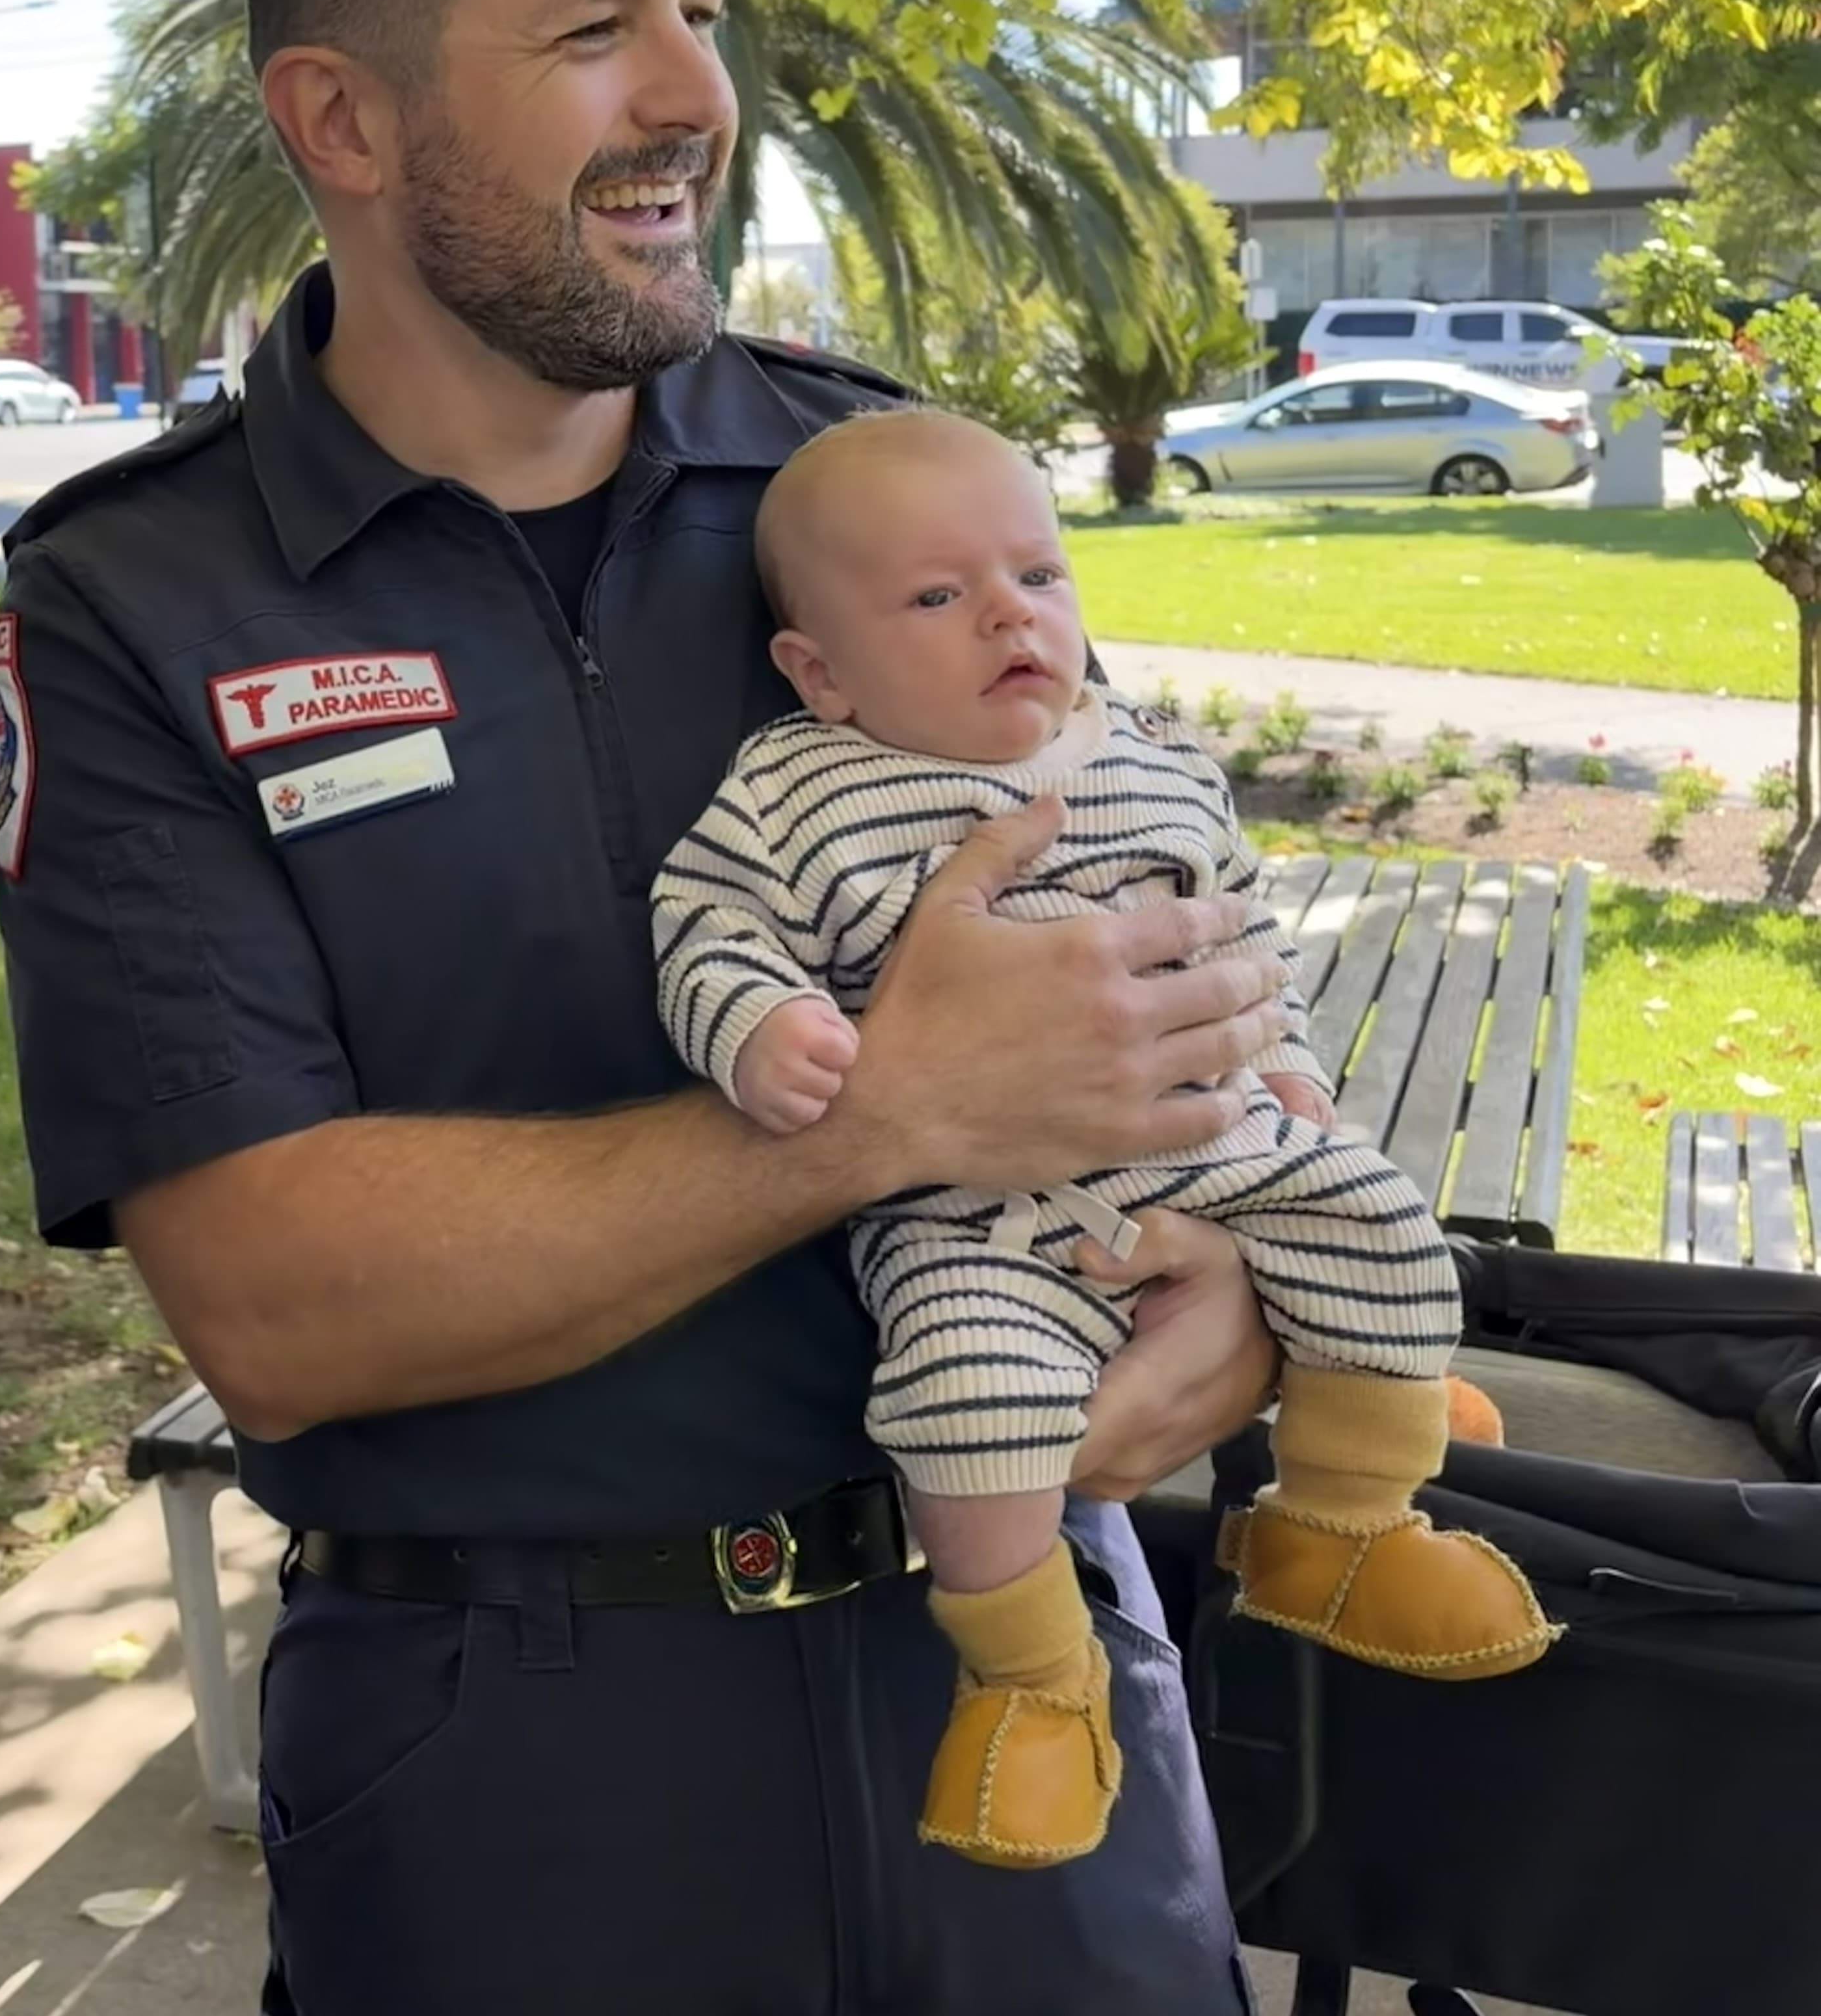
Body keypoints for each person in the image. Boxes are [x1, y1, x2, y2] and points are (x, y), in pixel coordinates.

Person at [0, 0, 1298, 2015]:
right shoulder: (144, 600)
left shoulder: (872, 484)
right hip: (515, 1763)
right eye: (595, 32)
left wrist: (1247, 1287)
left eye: (696, 10)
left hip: (1016, 1689)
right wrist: (887, 1115)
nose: (692, 92)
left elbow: (1162, 942)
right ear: (343, 123)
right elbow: (279, 1305)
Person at [654, 406, 1550, 1871]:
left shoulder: (1148, 757)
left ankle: (1345, 1517)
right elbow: (706, 928)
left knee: (1379, 1218)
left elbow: (1247, 938)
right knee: (963, 1394)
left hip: (1211, 1146)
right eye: (939, 600)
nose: (1010, 613)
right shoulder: (793, 793)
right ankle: (1031, 1684)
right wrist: (759, 1030)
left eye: (1040, 577)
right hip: (970, 1215)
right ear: (820, 672)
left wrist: (1296, 1071)